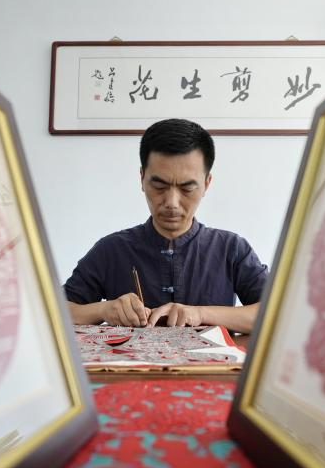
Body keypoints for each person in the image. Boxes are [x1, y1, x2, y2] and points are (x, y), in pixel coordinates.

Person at [63, 118, 268, 333]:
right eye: (159, 186)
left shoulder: (231, 248)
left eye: (187, 188)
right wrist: (103, 309)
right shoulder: (112, 249)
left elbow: (274, 313)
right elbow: (57, 310)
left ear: (207, 183)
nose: (172, 202)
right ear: (142, 178)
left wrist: (200, 314)